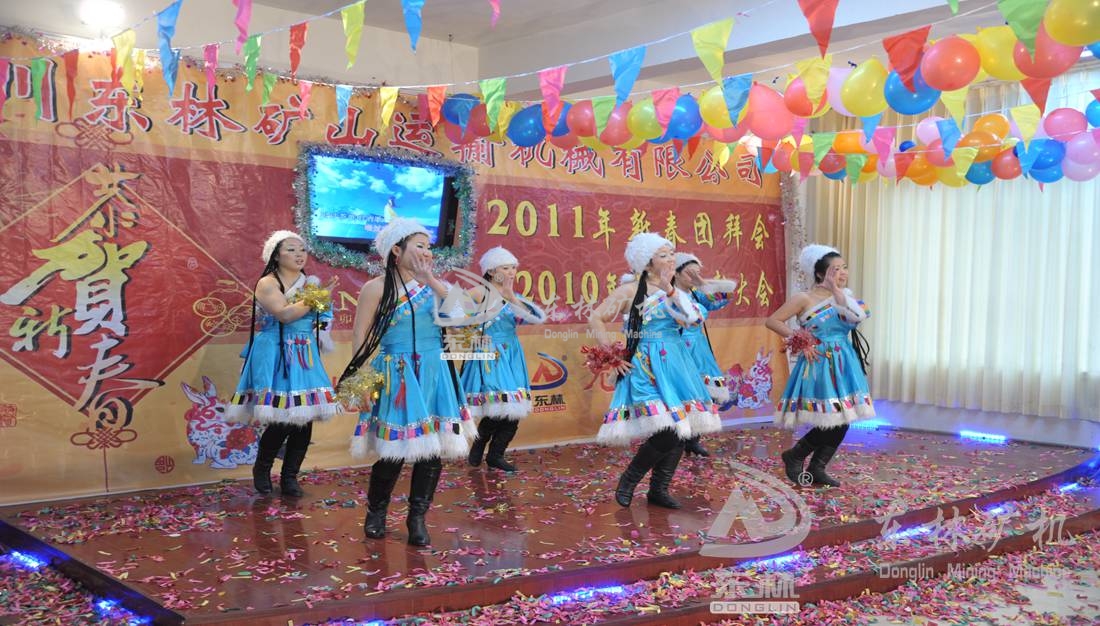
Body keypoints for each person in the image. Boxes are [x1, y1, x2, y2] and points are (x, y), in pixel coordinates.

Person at [343, 217, 478, 546]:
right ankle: (376, 512)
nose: (427, 252)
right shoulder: (375, 288)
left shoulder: (435, 286)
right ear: (396, 251)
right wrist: (361, 377)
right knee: (393, 452)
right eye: (420, 246)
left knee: (432, 451)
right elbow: (361, 335)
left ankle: (417, 518)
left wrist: (430, 280)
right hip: (396, 373)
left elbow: (466, 318)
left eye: (429, 247)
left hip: (434, 372)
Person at [588, 233, 721, 509]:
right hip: (645, 365)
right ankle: (630, 478)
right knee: (668, 429)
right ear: (647, 263)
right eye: (663, 255)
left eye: (672, 253)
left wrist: (671, 290)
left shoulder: (677, 291)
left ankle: (658, 489)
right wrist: (611, 354)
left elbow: (694, 319)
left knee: (681, 428)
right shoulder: (629, 291)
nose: (671, 258)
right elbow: (596, 317)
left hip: (676, 364)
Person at [227, 230, 341, 497]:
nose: (299, 254)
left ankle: (290, 476)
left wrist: (321, 328)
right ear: (276, 255)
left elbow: (323, 316)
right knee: (281, 418)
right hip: (276, 352)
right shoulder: (267, 283)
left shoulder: (310, 284)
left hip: (304, 352)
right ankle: (262, 468)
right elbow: (285, 314)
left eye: (302, 249)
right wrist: (317, 297)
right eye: (291, 249)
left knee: (305, 417)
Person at [765, 244, 873, 487]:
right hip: (820, 361)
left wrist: (838, 292)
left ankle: (817, 467)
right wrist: (801, 340)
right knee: (832, 417)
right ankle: (796, 454)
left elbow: (859, 317)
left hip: (844, 359)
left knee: (845, 417)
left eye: (844, 268)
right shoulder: (804, 298)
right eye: (836, 269)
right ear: (819, 273)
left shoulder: (846, 297)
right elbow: (773, 320)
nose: (843, 273)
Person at [463, 247, 548, 472]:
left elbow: (536, 319)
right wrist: (471, 335)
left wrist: (511, 298)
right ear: (491, 271)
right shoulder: (477, 293)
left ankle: (496, 454)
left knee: (515, 407)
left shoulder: (514, 298)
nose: (511, 272)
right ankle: (480, 442)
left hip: (511, 354)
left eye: (513, 268)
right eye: (506, 268)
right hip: (490, 353)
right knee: (500, 403)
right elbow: (450, 317)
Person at [673, 252, 739, 457]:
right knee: (682, 393)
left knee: (706, 392)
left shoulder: (696, 294)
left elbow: (725, 296)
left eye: (697, 272)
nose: (694, 277)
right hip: (679, 347)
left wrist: (701, 282)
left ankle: (693, 439)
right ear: (675, 273)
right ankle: (676, 440)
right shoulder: (669, 295)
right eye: (689, 273)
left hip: (699, 349)